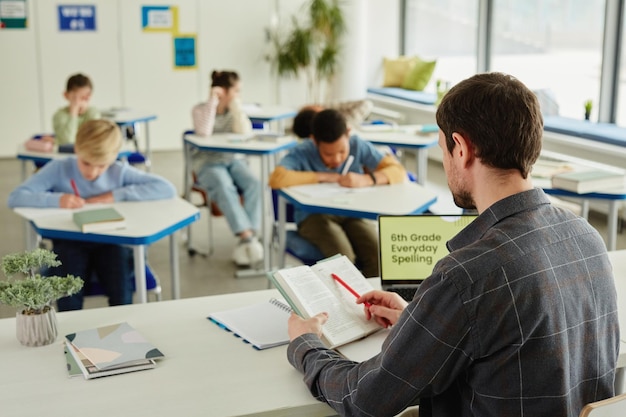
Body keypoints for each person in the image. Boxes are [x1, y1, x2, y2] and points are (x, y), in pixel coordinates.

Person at [285, 73, 620, 417]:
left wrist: (305, 344)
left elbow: (363, 399)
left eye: (443, 149)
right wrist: (417, 323)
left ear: (461, 148)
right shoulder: (586, 236)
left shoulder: (467, 276)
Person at [8, 119, 176, 311]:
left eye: (101, 165)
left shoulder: (117, 171)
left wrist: (114, 195)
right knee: (68, 290)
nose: (93, 172)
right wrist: (57, 200)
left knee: (121, 289)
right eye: (86, 163)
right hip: (69, 242)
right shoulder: (59, 168)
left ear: (113, 157)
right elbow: (16, 197)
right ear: (77, 148)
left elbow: (166, 188)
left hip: (111, 242)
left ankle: (122, 330)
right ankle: (70, 334)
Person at [269, 108, 407, 277]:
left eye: (342, 151)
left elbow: (398, 171)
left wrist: (365, 180)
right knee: (343, 258)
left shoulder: (357, 145)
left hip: (351, 212)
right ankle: (344, 301)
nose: (336, 159)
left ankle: (371, 300)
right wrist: (325, 176)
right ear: (314, 141)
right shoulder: (303, 151)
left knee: (378, 254)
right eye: (328, 154)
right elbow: (276, 178)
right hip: (314, 217)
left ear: (348, 134)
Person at [191, 70, 263, 267]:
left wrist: (236, 107)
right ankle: (246, 236)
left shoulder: (234, 111)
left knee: (254, 183)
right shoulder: (200, 109)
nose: (239, 95)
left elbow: (245, 132)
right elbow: (204, 131)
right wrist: (213, 102)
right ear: (223, 91)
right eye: (236, 91)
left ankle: (250, 234)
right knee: (224, 186)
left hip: (233, 160)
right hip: (208, 163)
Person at [52, 73, 101, 145]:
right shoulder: (59, 115)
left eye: (85, 98)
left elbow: (94, 140)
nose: (80, 102)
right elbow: (68, 142)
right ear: (66, 95)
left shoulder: (93, 113)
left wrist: (56, 141)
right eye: (75, 98)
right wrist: (73, 113)